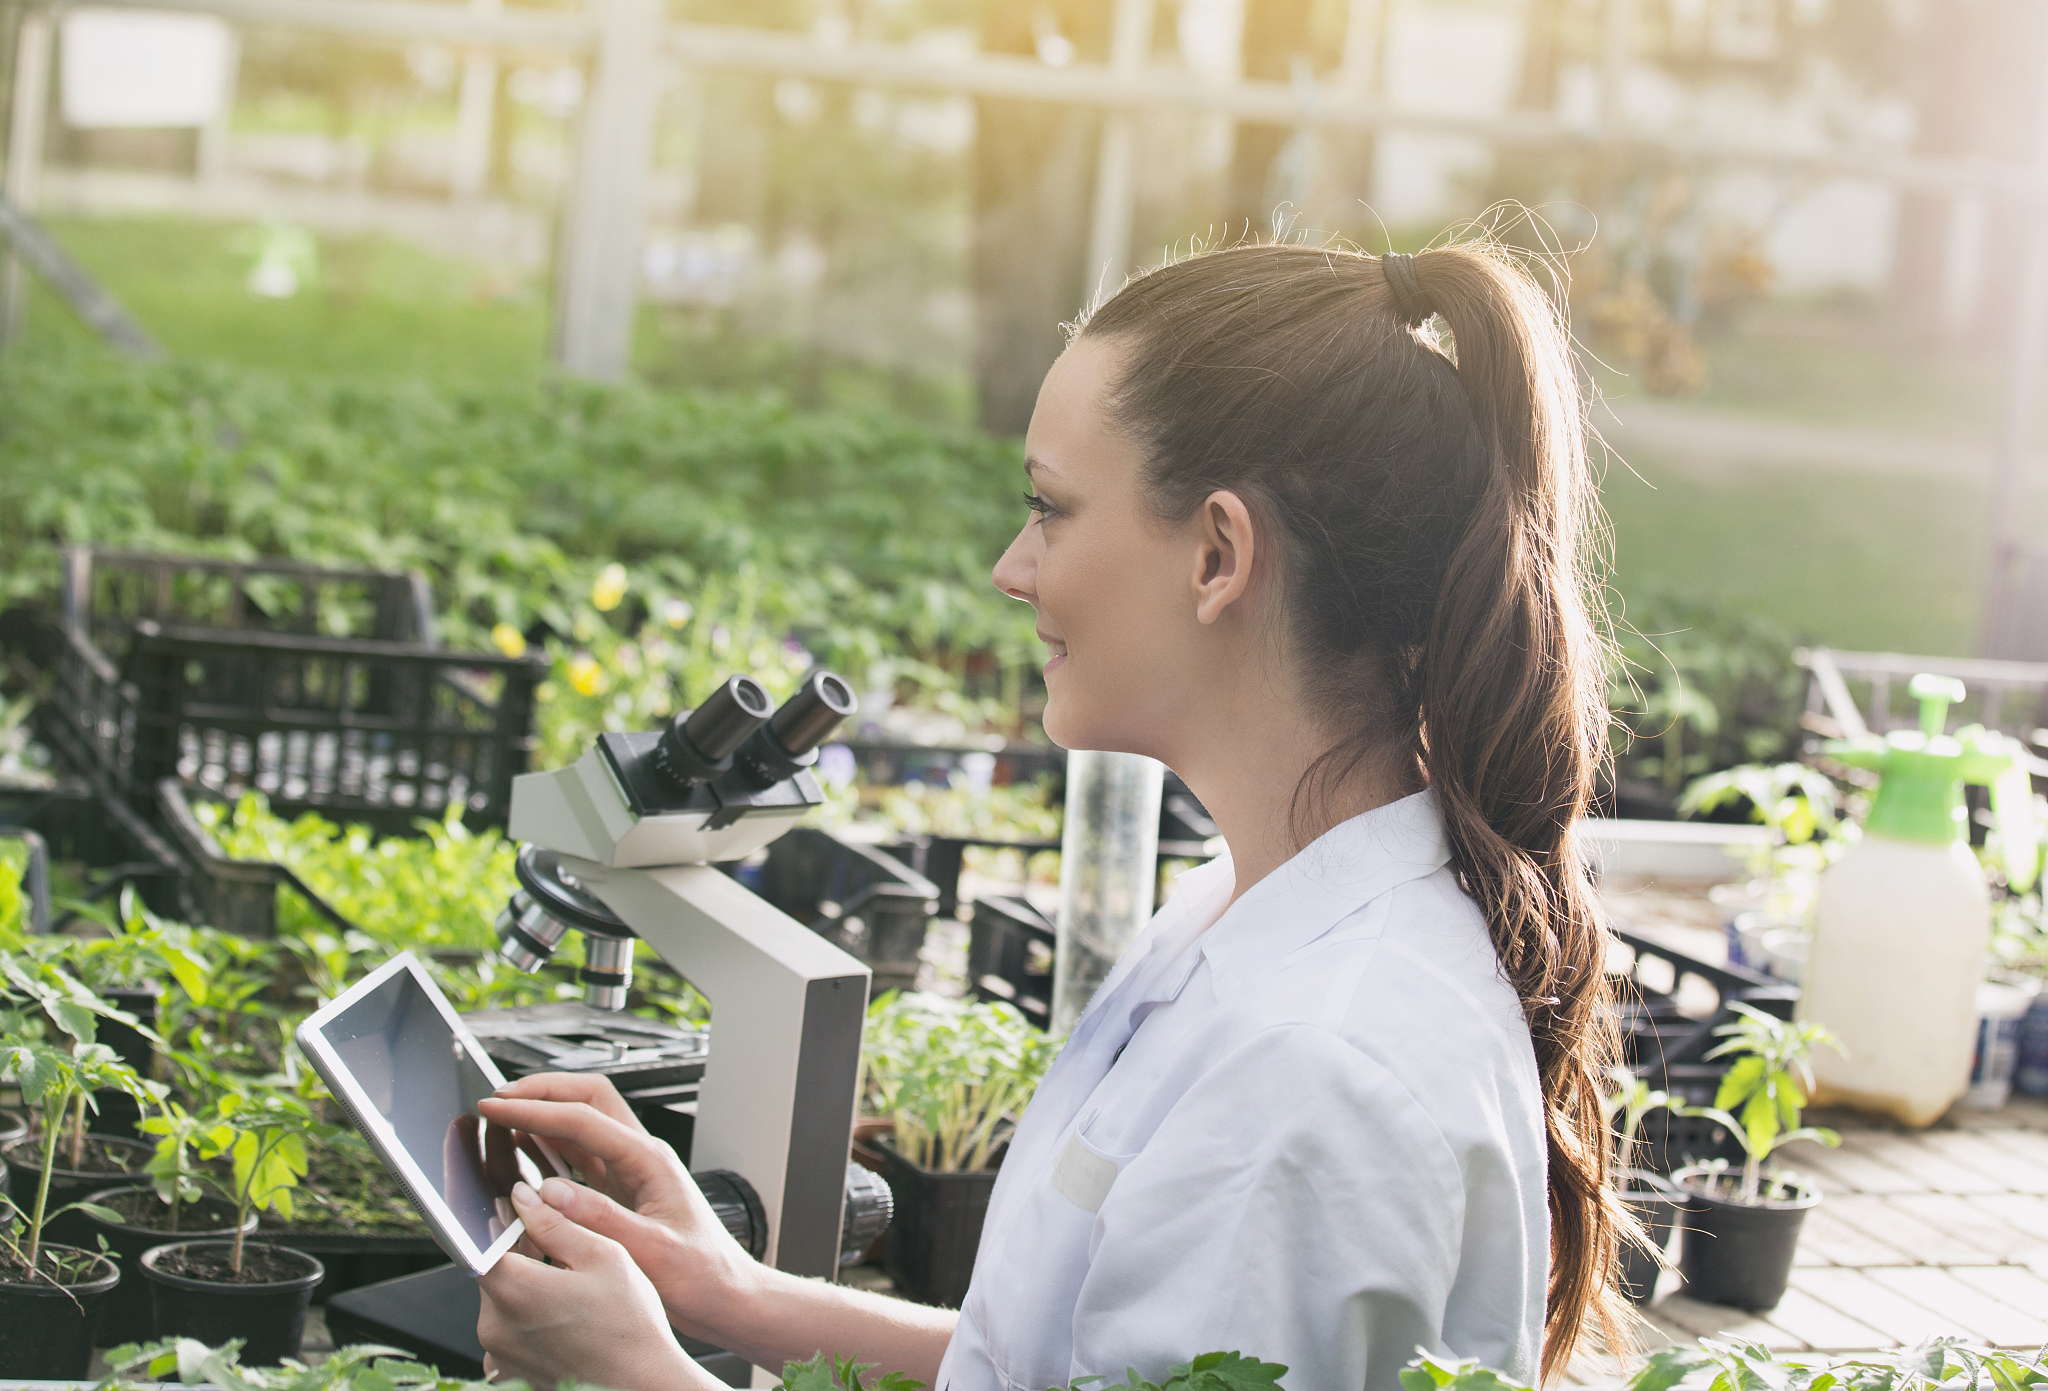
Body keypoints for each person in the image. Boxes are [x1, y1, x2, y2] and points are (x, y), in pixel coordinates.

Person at [473, 237, 1625, 1391]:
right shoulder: (1236, 908)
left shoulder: (1308, 1075)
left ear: (1217, 554)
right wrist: (726, 1290)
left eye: (1049, 508)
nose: (1009, 567)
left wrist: (643, 1377)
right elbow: (1051, 1364)